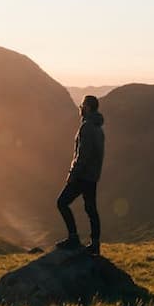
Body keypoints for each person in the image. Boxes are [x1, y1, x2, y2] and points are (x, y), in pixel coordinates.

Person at [56, 94, 105, 255]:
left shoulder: (87, 127)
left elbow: (82, 155)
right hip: (92, 176)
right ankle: (95, 244)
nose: (80, 108)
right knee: (91, 209)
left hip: (82, 175)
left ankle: (73, 238)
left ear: (88, 107)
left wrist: (72, 173)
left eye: (82, 105)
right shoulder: (98, 128)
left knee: (62, 202)